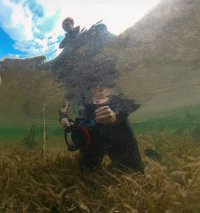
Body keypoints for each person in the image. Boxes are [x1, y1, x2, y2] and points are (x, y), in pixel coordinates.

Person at [57, 18, 144, 173]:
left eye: (69, 23)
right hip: (92, 133)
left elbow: (133, 100)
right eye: (65, 25)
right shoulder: (73, 79)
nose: (68, 26)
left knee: (134, 172)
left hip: (116, 128)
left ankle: (151, 156)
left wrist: (116, 117)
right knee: (86, 171)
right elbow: (66, 101)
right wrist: (63, 116)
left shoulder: (99, 43)